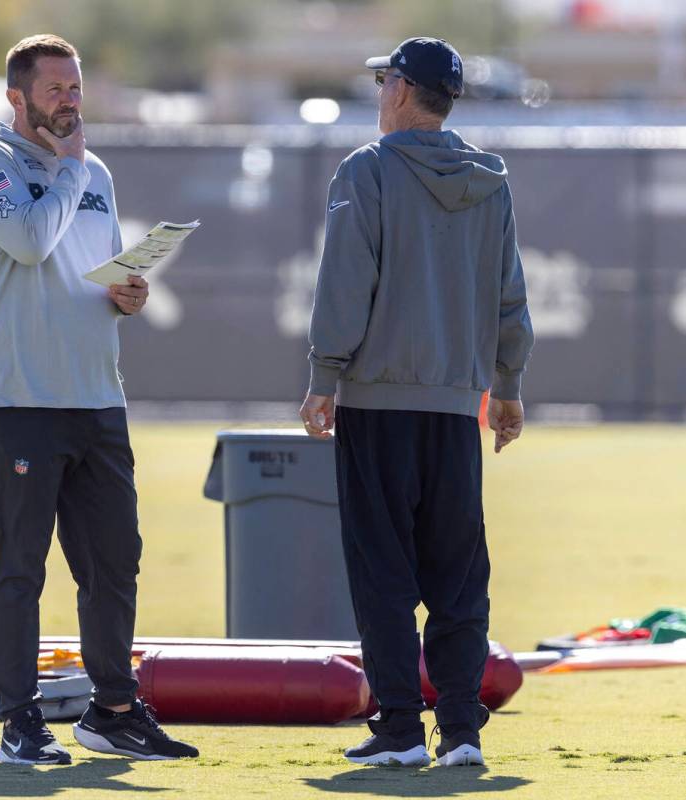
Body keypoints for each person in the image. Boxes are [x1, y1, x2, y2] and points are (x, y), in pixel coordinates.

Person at [0, 34, 198, 766]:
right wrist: (66, 169)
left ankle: (113, 711)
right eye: (56, 89)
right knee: (20, 567)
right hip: (20, 396)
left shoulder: (94, 169)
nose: (69, 101)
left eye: (75, 88)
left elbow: (95, 268)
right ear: (17, 96)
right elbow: (30, 242)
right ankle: (19, 722)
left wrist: (128, 292)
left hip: (96, 395)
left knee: (114, 561)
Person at [299, 37, 534, 768]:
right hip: (456, 406)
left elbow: (344, 283)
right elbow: (509, 296)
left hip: (378, 402)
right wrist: (508, 387)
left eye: (382, 81)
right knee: (458, 573)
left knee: (383, 573)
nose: (377, 94)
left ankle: (399, 729)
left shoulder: (366, 171)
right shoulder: (488, 180)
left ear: (402, 90)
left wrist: (322, 375)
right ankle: (461, 729)